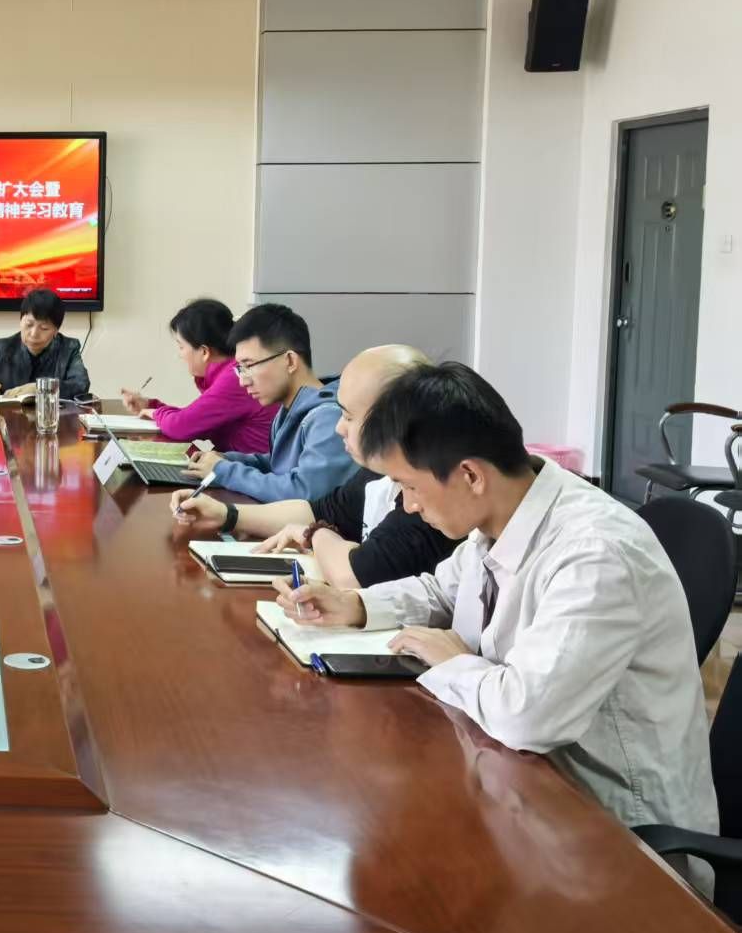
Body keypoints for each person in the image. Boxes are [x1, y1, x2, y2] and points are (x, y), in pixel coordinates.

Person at [272, 362, 719, 855]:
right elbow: (441, 591)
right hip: (521, 790)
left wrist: (455, 662)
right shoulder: (504, 509)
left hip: (617, 837)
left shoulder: (595, 553)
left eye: (410, 487)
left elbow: (529, 716)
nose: (409, 506)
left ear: (470, 475)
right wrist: (355, 605)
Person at [171, 345, 461, 587]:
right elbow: (316, 510)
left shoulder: (427, 495)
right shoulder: (376, 476)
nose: (338, 428)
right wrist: (226, 514)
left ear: (393, 422)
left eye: (348, 417)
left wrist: (315, 534)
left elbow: (353, 573)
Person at [187, 303, 354, 501]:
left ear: (290, 361)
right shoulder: (290, 408)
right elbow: (278, 466)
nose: (243, 381)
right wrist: (226, 459)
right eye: (240, 369)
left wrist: (224, 471)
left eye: (249, 365)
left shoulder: (328, 417)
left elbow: (303, 492)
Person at [121, 297, 271, 453]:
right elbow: (194, 420)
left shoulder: (235, 377)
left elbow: (181, 426)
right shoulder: (229, 371)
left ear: (204, 352)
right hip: (235, 462)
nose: (179, 355)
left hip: (250, 467)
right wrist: (150, 406)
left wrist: (155, 413)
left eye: (181, 347)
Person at [0, 288, 90, 401]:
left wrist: (38, 389)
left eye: (44, 328)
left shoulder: (68, 348)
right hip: (7, 420)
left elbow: (81, 385)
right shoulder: (0, 348)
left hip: (52, 420)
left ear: (56, 330)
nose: (34, 334)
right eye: (29, 324)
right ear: (20, 320)